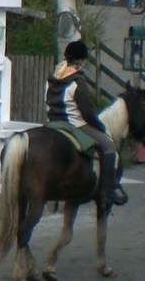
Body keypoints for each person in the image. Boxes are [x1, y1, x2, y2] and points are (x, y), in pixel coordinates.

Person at [46, 40, 127, 210]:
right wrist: (101, 127)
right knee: (109, 147)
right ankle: (106, 194)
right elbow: (87, 114)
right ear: (81, 60)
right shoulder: (78, 81)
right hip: (74, 124)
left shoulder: (53, 78)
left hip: (53, 123)